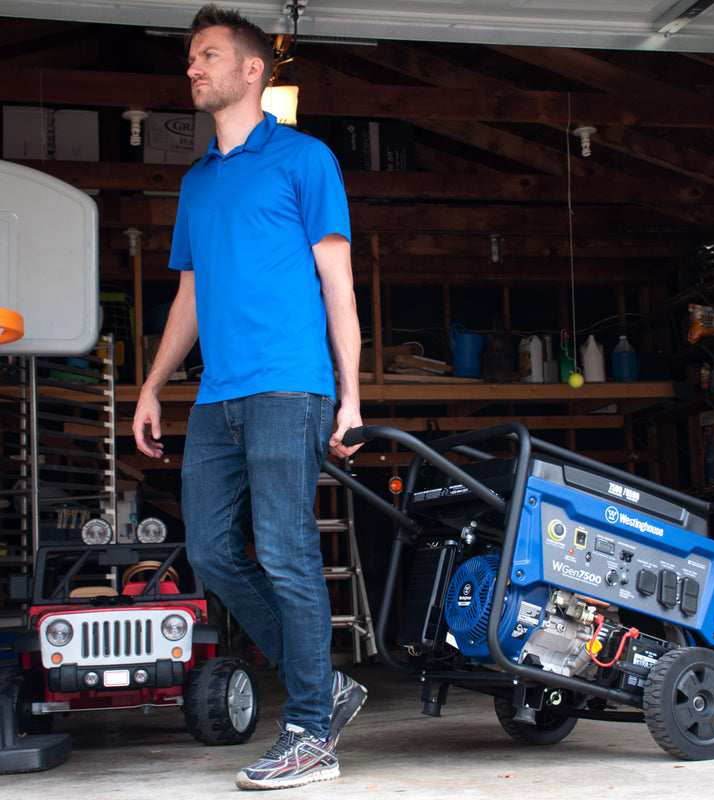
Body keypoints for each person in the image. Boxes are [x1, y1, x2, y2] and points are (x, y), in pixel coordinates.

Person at [132, 4, 366, 791]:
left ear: (252, 70)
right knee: (211, 553)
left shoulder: (305, 160)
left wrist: (351, 398)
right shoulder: (198, 183)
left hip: (289, 386)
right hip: (216, 398)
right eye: (191, 57)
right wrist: (152, 385)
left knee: (289, 551)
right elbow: (190, 298)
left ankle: (310, 733)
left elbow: (338, 287)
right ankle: (323, 687)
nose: (191, 69)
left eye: (207, 56)